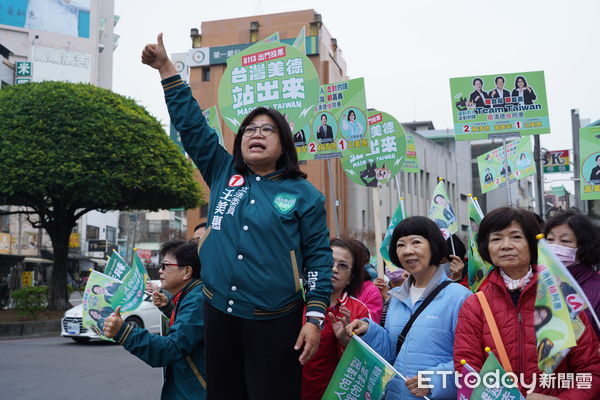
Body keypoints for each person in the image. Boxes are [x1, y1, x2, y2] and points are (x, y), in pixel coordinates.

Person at [142, 34, 333, 400]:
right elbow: (192, 126)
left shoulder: (305, 195)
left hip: (277, 320)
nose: (255, 134)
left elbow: (318, 262)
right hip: (220, 313)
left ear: (284, 143)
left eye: (267, 129)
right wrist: (167, 69)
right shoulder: (221, 169)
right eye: (249, 129)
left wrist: (313, 319)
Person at [454, 207, 600, 399]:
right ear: (486, 247)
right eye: (496, 239)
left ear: (532, 244)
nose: (505, 246)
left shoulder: (561, 299)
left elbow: (591, 369)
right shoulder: (475, 304)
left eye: (516, 237)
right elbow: (467, 369)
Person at [345, 216, 471, 399]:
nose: (407, 251)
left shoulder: (460, 297)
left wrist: (433, 380)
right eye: (400, 245)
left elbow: (469, 361)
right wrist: (369, 331)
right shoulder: (396, 298)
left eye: (416, 242)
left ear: (434, 246)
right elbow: (391, 352)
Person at [104, 240, 205, 400]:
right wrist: (169, 308)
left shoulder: (197, 300)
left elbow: (171, 349)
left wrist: (124, 332)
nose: (160, 271)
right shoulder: (190, 296)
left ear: (186, 272)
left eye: (165, 266)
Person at [301, 238, 371, 400]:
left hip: (336, 394)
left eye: (342, 265)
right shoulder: (297, 302)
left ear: (351, 278)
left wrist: (346, 342)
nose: (334, 269)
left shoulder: (358, 310)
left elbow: (363, 365)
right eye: (328, 262)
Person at [544, 210, 600, 338]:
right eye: (550, 239)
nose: (554, 246)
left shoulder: (597, 288)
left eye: (565, 241)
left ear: (584, 247)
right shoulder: (537, 282)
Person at [350, 239, 384, 324]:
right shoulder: (330, 288)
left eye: (343, 264)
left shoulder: (371, 291)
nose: (335, 269)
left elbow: (368, 328)